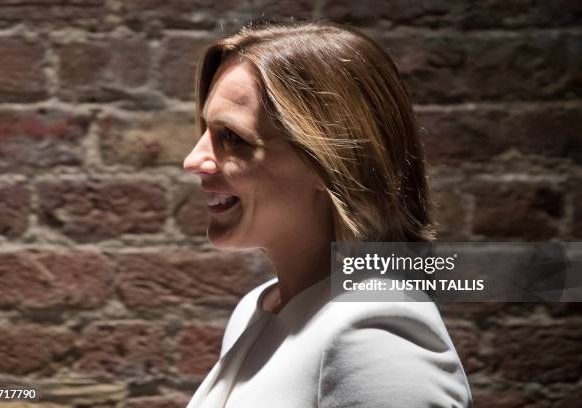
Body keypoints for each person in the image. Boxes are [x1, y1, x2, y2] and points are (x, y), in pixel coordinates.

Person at [183, 19, 472, 408]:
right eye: (205, 131)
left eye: (232, 138)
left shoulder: (372, 334)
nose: (193, 160)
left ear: (329, 162)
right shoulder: (258, 309)